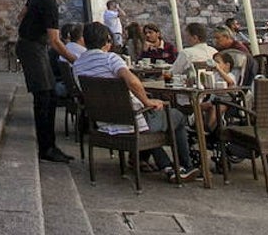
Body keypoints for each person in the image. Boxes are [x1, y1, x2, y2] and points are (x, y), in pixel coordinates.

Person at [72, 21, 198, 182]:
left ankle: (164, 165)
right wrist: (147, 101)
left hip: (104, 122)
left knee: (151, 121)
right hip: (133, 120)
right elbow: (133, 82)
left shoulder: (77, 65)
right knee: (176, 117)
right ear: (107, 41)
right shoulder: (111, 59)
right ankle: (186, 166)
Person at [16, 0, 79, 162]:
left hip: (30, 45)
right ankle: (46, 148)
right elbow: (55, 40)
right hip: (33, 48)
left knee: (49, 95)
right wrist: (75, 60)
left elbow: (22, 15)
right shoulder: (50, 3)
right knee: (44, 97)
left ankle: (49, 145)